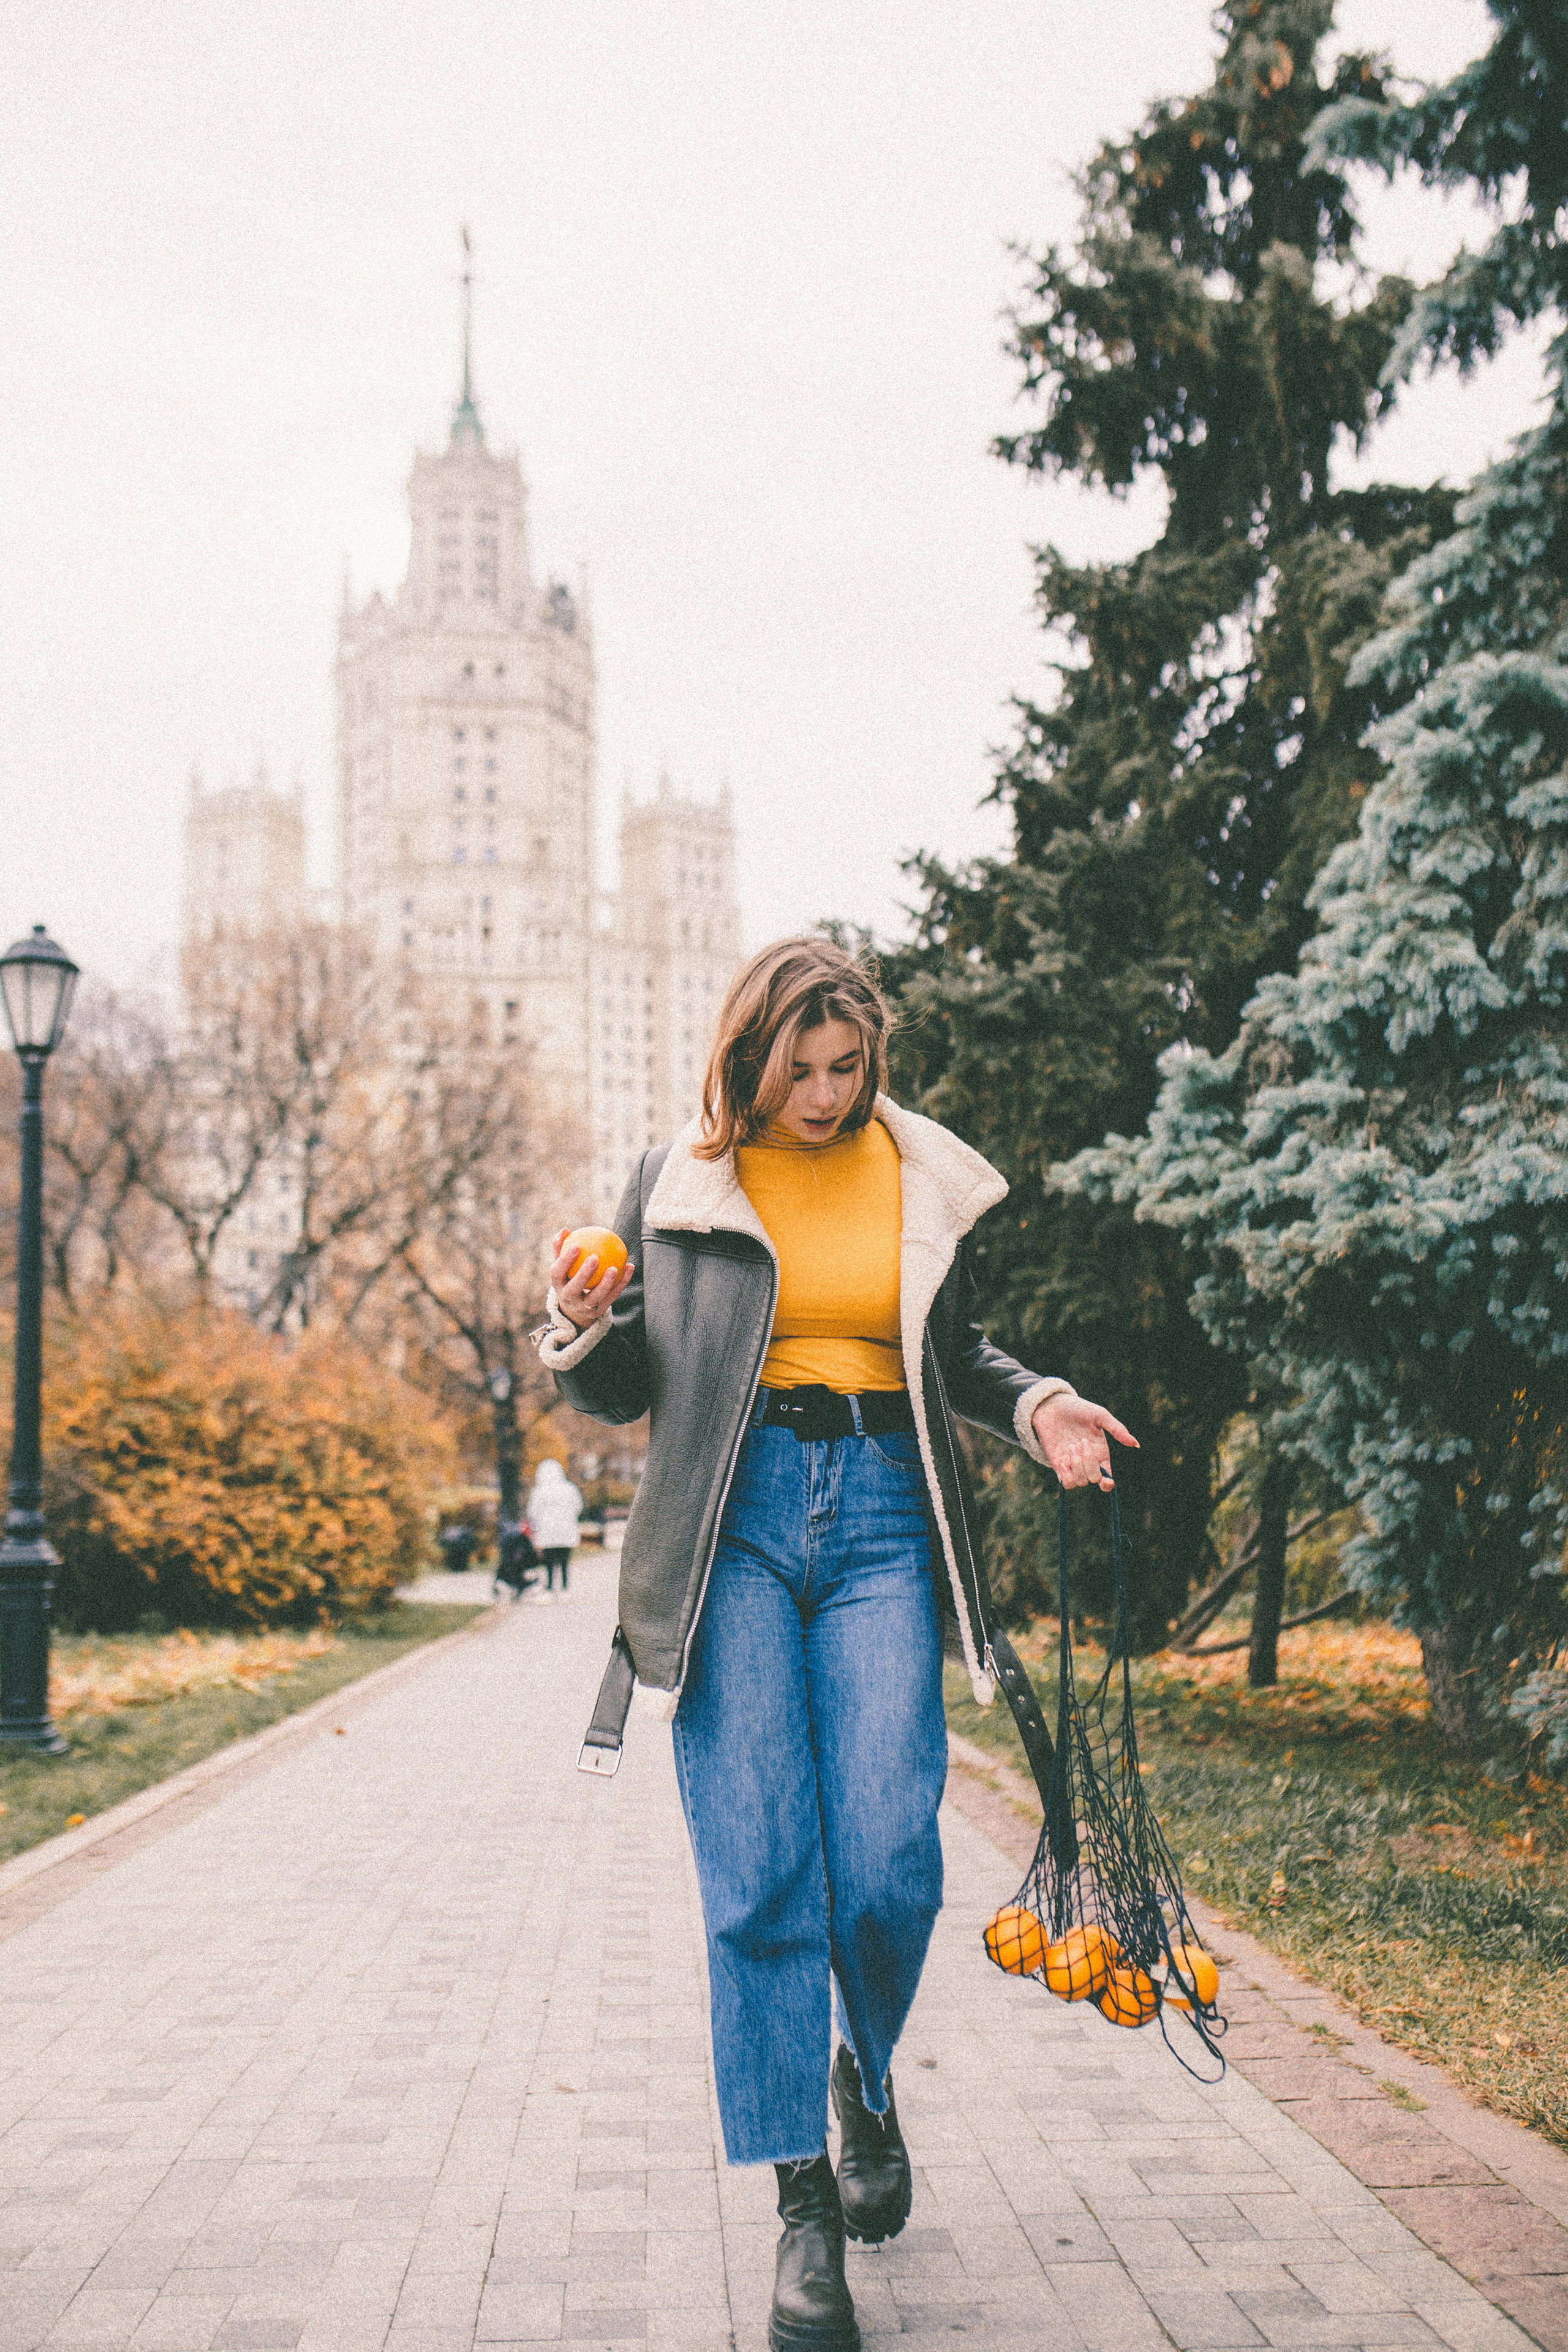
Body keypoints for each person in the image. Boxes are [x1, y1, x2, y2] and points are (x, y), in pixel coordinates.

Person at [535, 938, 1134, 2352]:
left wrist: (1036, 1400)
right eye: (794, 1067)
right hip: (731, 1519)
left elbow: (952, 1346)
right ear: (744, 1057)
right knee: (757, 1865)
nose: (819, 1092)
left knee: (884, 1851)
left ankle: (861, 2075)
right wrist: (577, 1318)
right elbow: (627, 1382)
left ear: (872, 1057)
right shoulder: (676, 1179)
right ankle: (803, 2202)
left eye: (843, 1066)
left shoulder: (908, 1169)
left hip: (878, 1517)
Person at [526, 1456, 582, 1596]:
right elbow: (578, 1507)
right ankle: (565, 1588)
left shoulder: (539, 1491)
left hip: (547, 1532)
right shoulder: (570, 1488)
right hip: (566, 1531)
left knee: (549, 1562)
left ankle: (550, 1588)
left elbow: (532, 1512)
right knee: (564, 1561)